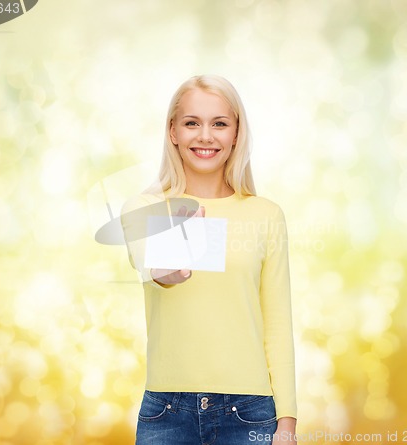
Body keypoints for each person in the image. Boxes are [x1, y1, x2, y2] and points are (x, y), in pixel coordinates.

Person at [121, 75, 297, 445]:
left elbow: (277, 325)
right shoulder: (145, 208)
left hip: (250, 412)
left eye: (219, 123)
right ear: (173, 132)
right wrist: (173, 260)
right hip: (167, 413)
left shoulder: (265, 215)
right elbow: (154, 271)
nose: (205, 136)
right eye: (191, 123)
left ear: (236, 133)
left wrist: (286, 425)